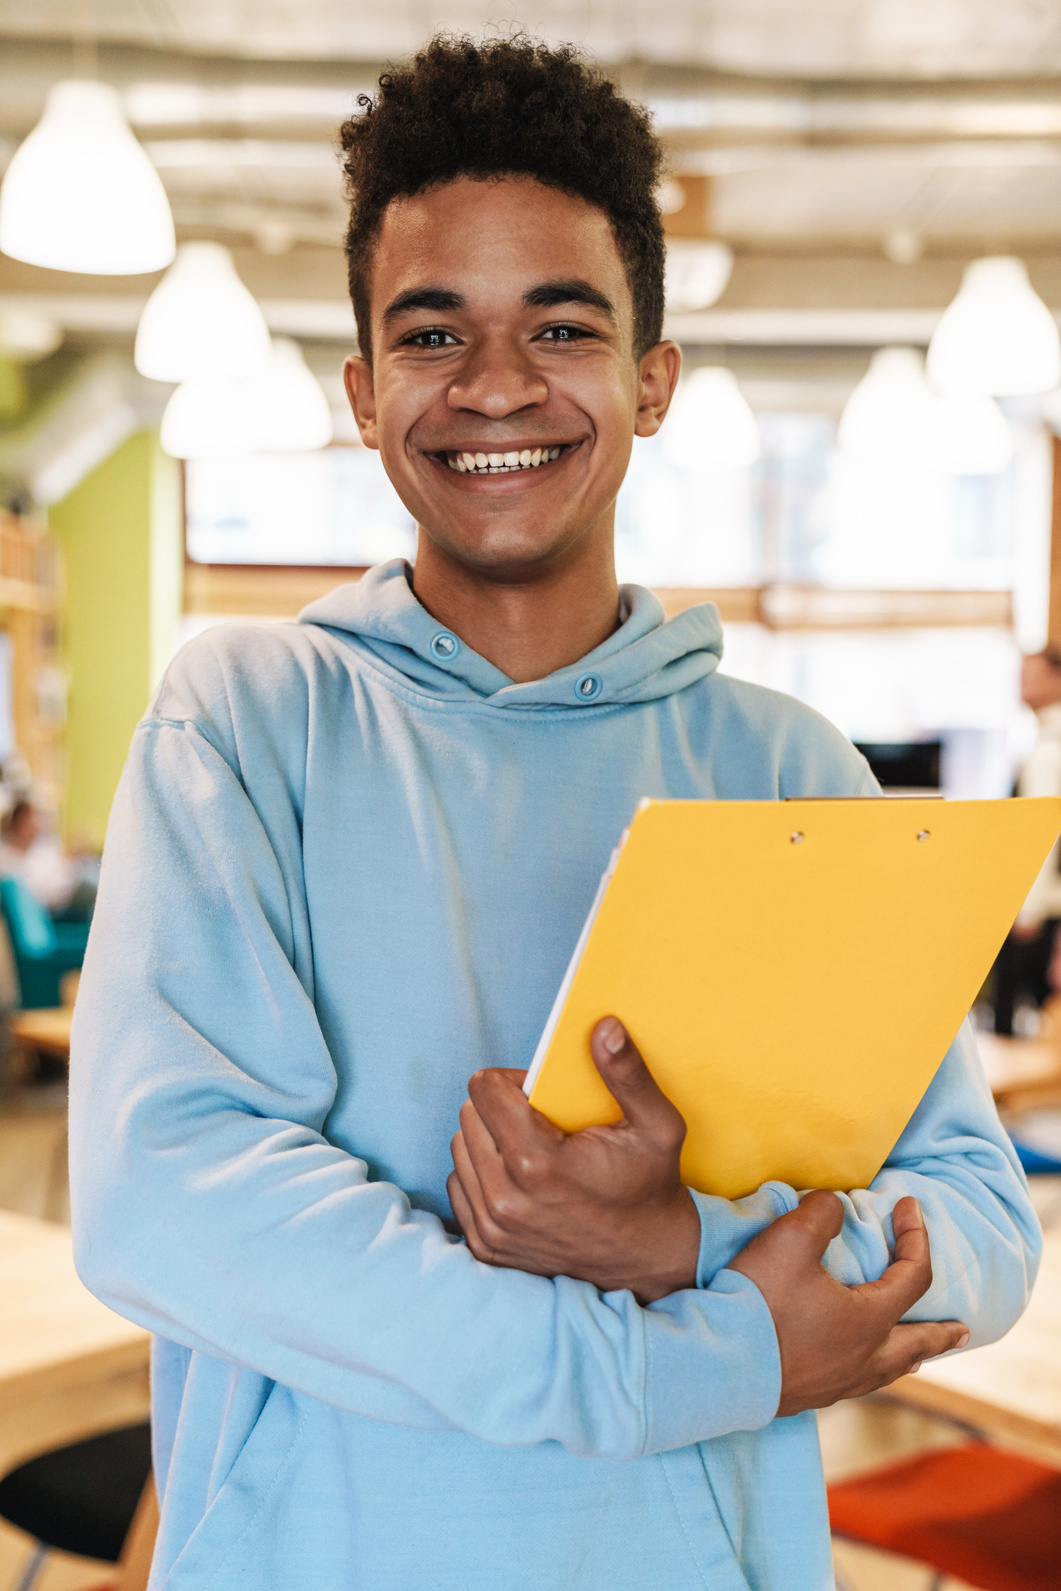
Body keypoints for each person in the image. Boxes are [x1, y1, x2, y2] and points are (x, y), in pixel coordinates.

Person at [69, 38, 1038, 1591]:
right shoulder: (246, 717)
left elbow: (984, 1220)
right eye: (432, 329)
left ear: (652, 378)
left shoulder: (788, 764)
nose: (497, 384)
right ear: (363, 389)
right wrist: (676, 1360)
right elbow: (172, 1200)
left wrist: (683, 1243)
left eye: (563, 325)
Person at [993, 648, 1061, 1034]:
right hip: (1047, 900)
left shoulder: (1049, 747)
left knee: (1017, 1006)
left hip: (1040, 902)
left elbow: (1046, 831)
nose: (1021, 683)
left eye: (1031, 675)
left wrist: (1028, 908)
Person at [0, 798, 93, 918]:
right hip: (53, 910)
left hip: (66, 893)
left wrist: (69, 858)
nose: (38, 826)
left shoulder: (38, 851)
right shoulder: (8, 861)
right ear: (19, 825)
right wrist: (66, 861)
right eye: (33, 820)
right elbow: (43, 895)